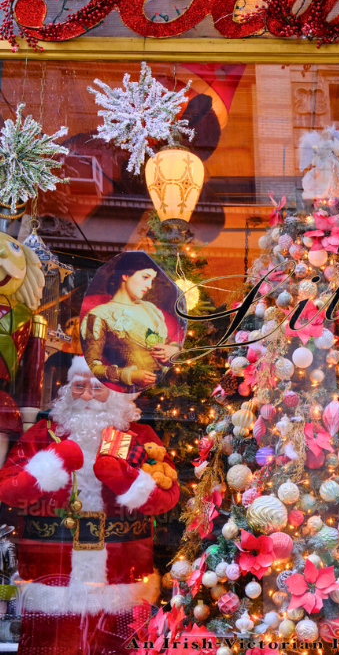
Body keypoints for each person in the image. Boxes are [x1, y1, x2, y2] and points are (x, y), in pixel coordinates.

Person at [0, 355, 179, 655]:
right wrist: (52, 464)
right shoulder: (43, 435)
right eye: (78, 386)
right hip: (51, 583)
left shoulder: (140, 437)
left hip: (123, 583)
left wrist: (123, 478)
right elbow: (8, 490)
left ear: (116, 392)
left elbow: (166, 498)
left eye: (96, 388)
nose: (85, 395)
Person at [81, 251, 182, 393]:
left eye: (151, 280)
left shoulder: (151, 310)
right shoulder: (99, 315)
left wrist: (174, 349)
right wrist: (128, 375)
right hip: (131, 396)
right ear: (125, 275)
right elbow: (90, 366)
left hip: (170, 391)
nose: (149, 285)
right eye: (145, 277)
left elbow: (167, 344)